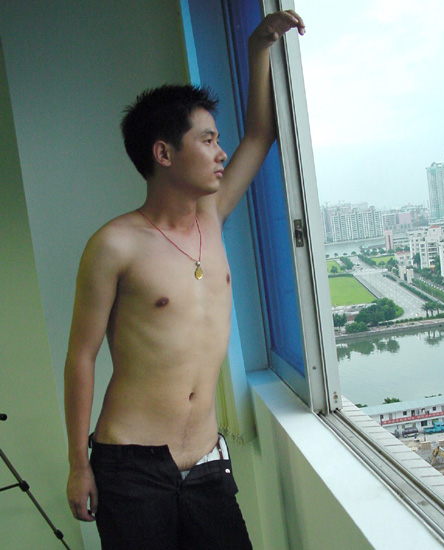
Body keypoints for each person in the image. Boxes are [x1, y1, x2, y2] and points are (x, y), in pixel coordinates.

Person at [64, 10, 305, 550]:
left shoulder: (212, 219)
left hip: (206, 461)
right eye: (208, 140)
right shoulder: (115, 244)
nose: (222, 153)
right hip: (130, 465)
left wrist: (259, 47)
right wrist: (79, 465)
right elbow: (81, 356)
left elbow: (261, 135)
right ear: (164, 153)